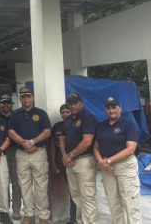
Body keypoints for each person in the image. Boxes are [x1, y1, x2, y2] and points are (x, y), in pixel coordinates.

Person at [8, 86, 52, 224]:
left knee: (41, 185)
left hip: (38, 153)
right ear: (20, 99)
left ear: (32, 97)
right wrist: (23, 143)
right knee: (24, 185)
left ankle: (43, 216)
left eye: (28, 96)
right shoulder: (15, 114)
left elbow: (47, 132)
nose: (26, 99)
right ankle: (29, 215)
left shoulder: (41, 113)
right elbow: (11, 132)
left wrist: (32, 142)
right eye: (23, 96)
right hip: (21, 154)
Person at [94, 97, 141, 224]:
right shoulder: (101, 125)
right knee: (113, 203)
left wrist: (108, 161)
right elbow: (96, 147)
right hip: (107, 168)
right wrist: (101, 162)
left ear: (120, 108)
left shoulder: (128, 124)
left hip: (125, 166)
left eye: (114, 107)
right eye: (108, 108)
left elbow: (130, 149)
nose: (111, 110)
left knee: (130, 204)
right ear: (105, 110)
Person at [60, 92, 98, 224]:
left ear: (81, 103)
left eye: (75, 103)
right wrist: (64, 156)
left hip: (84, 161)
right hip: (70, 162)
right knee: (76, 196)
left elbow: (87, 141)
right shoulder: (68, 119)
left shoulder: (88, 117)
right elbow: (62, 138)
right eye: (70, 103)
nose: (72, 105)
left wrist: (70, 155)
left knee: (87, 197)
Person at [49, 103, 77, 224]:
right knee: (70, 188)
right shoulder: (57, 126)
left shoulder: (76, 124)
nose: (65, 114)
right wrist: (53, 163)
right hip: (60, 161)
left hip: (73, 160)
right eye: (63, 112)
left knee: (75, 189)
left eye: (67, 112)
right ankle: (73, 217)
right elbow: (52, 146)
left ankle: (75, 218)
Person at [0, 94, 22, 219]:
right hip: (2, 152)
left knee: (16, 182)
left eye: (8, 102)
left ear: (11, 104)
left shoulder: (17, 116)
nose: (6, 105)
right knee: (3, 182)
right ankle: (5, 208)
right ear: (0, 104)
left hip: (15, 151)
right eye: (4, 102)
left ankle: (16, 209)